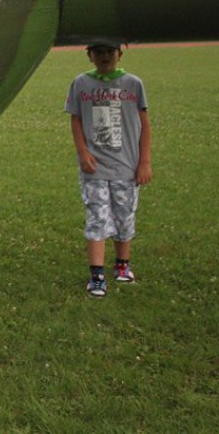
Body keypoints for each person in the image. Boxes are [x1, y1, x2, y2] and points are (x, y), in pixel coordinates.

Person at [64, 38, 153, 298]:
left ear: (120, 55)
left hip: (127, 166)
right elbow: (76, 120)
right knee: (97, 218)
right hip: (95, 168)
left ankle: (122, 266)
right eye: (98, 52)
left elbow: (144, 124)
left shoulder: (133, 84)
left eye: (110, 52)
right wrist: (83, 153)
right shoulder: (81, 83)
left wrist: (144, 162)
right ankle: (97, 275)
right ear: (89, 55)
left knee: (124, 216)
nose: (104, 56)